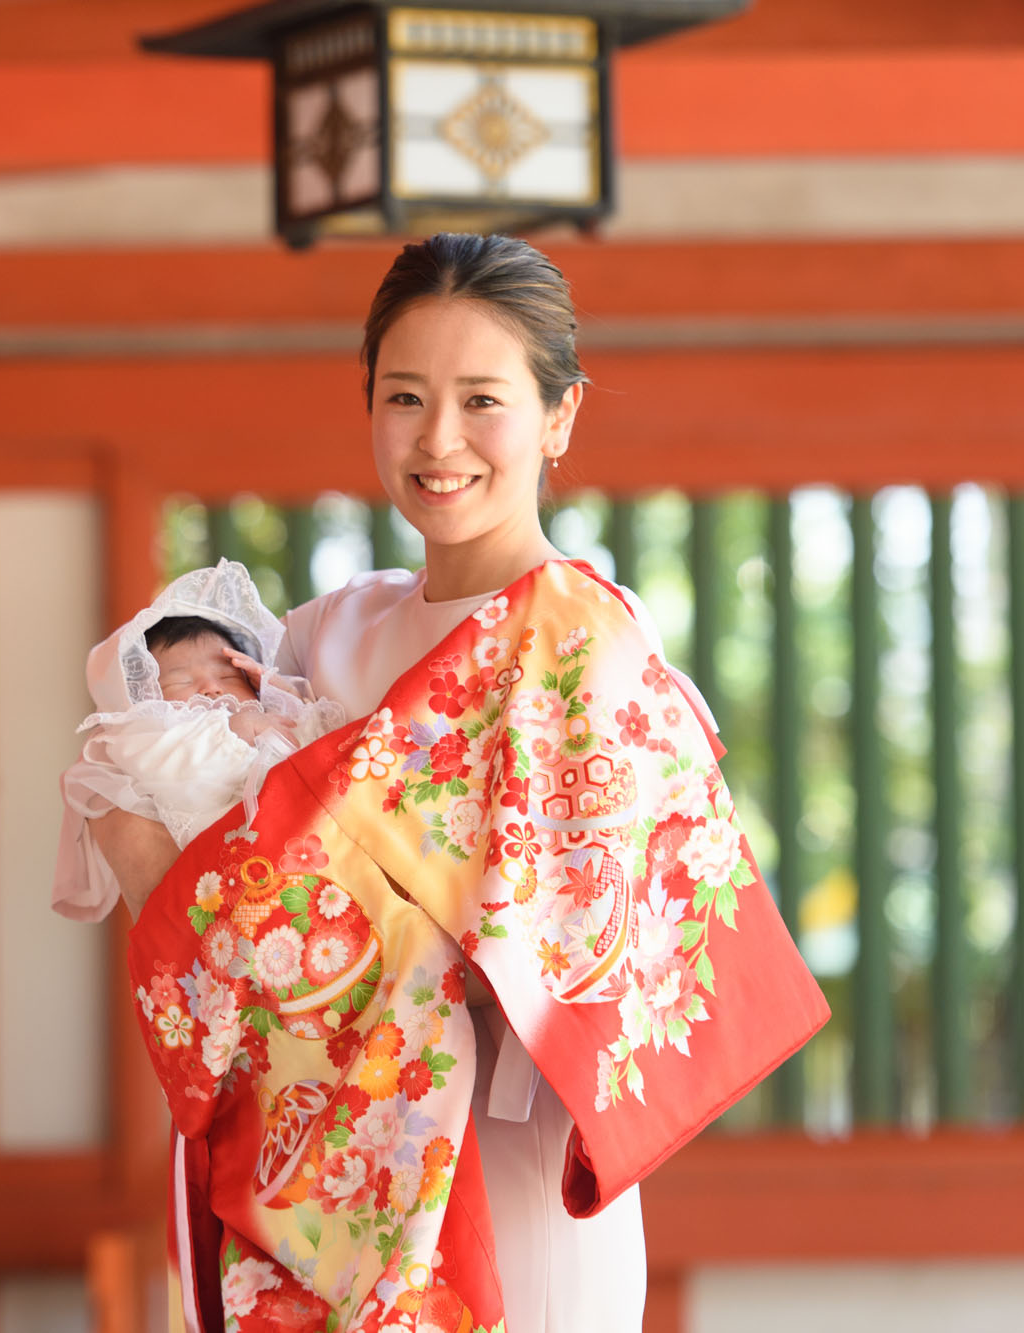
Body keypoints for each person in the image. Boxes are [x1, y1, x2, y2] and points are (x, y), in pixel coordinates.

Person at [90, 234, 815, 1332]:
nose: (438, 441)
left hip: (509, 1176)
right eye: (404, 397)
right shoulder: (322, 634)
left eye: (483, 400)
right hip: (316, 1175)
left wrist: (302, 904)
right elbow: (131, 759)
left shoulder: (589, 647)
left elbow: (589, 959)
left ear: (556, 416)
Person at [54, 558, 347, 925]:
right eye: (180, 681)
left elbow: (324, 750)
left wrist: (286, 699)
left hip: (312, 871)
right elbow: (175, 769)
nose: (211, 687)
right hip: (223, 894)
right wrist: (232, 734)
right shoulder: (145, 739)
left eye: (228, 674)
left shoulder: (265, 716)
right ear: (143, 698)